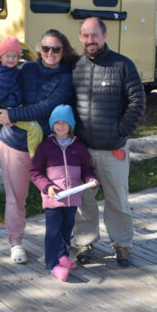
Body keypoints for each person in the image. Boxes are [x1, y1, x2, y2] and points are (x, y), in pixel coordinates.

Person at [0, 29, 78, 264]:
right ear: (39, 50)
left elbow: (47, 107)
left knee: (57, 197)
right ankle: (16, 243)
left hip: (49, 147)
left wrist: (13, 114)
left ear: (63, 51)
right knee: (15, 197)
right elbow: (4, 87)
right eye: (45, 48)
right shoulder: (26, 69)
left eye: (56, 49)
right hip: (14, 143)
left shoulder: (66, 78)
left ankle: (61, 244)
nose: (50, 53)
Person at [72, 17, 145, 267]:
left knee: (117, 200)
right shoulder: (77, 67)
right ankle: (84, 241)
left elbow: (138, 102)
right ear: (80, 38)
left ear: (104, 35)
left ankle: (122, 244)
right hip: (82, 150)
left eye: (94, 35)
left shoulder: (122, 65)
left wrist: (120, 131)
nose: (90, 40)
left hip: (113, 149)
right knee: (84, 201)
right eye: (85, 36)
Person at [29, 104, 97, 281]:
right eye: (57, 123)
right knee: (53, 231)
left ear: (70, 126)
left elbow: (87, 169)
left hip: (72, 198)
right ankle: (52, 264)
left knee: (67, 229)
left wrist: (90, 179)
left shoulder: (79, 147)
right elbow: (35, 172)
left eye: (64, 123)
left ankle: (63, 256)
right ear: (52, 125)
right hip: (53, 198)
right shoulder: (45, 147)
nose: (60, 126)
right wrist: (47, 186)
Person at [0, 37, 42, 157]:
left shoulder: (10, 71)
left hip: (12, 107)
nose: (11, 59)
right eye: (7, 56)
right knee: (35, 129)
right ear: (0, 57)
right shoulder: (4, 76)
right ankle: (35, 157)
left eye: (14, 56)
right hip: (8, 111)